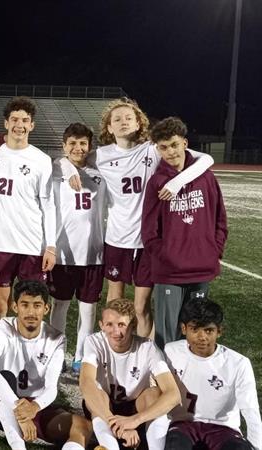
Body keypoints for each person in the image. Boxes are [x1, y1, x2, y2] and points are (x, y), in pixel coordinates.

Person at [61, 97, 214, 338]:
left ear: (138, 123)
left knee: (141, 307)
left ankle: (143, 359)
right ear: (109, 127)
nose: (123, 122)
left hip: (146, 242)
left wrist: (177, 182)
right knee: (114, 302)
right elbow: (68, 158)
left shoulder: (153, 149)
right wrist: (69, 168)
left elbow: (206, 159)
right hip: (116, 238)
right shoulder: (100, 155)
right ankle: (112, 354)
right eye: (117, 119)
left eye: (128, 118)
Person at [142, 117, 228, 348]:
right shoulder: (156, 183)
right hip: (170, 272)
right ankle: (165, 383)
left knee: (195, 332)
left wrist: (214, 251)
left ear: (184, 143)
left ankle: (188, 381)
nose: (170, 152)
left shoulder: (206, 177)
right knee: (166, 337)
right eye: (163, 147)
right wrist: (166, 256)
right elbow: (149, 231)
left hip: (201, 270)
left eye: (174, 145)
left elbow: (220, 218)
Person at [0, 281, 91, 450]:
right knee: (6, 378)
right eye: (25, 305)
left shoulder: (57, 339)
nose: (31, 312)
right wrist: (20, 411)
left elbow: (51, 387)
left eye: (37, 305)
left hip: (35, 406)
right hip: (0, 402)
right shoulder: (3, 328)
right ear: (15, 307)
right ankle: (18, 446)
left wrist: (34, 408)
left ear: (46, 308)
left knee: (82, 427)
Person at [0, 97, 56, 322]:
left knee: (32, 306)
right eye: (14, 119)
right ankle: (3, 351)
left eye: (25, 120)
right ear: (6, 123)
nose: (19, 125)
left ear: (32, 125)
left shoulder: (41, 159)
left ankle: (32, 352)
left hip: (32, 244)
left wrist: (51, 246)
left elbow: (48, 204)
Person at [79, 298, 179, 450]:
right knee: (95, 393)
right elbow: (86, 383)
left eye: (122, 325)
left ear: (133, 326)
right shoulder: (94, 342)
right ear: (101, 326)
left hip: (136, 410)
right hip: (105, 408)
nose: (116, 332)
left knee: (154, 394)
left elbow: (173, 394)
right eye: (109, 325)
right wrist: (117, 425)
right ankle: (110, 446)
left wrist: (135, 420)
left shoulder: (148, 348)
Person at [48, 123, 106, 374]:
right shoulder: (55, 170)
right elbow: (57, 161)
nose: (77, 148)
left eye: (83, 143)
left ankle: (81, 356)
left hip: (93, 252)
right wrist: (66, 164)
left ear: (90, 146)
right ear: (64, 145)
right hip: (62, 252)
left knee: (88, 308)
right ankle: (56, 352)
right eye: (72, 143)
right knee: (59, 305)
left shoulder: (100, 173)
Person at [164, 299, 261, 450]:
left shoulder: (238, 363)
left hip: (223, 428)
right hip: (182, 425)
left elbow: (251, 410)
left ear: (219, 331)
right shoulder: (170, 352)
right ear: (184, 329)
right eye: (195, 329)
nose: (202, 337)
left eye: (208, 330)